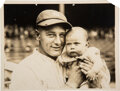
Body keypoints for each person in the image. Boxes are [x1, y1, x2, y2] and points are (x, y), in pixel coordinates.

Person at [9, 9, 110, 90]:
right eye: (51, 35)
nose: (58, 41)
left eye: (62, 35)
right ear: (37, 35)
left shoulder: (68, 59)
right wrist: (71, 85)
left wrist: (97, 83)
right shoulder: (26, 69)